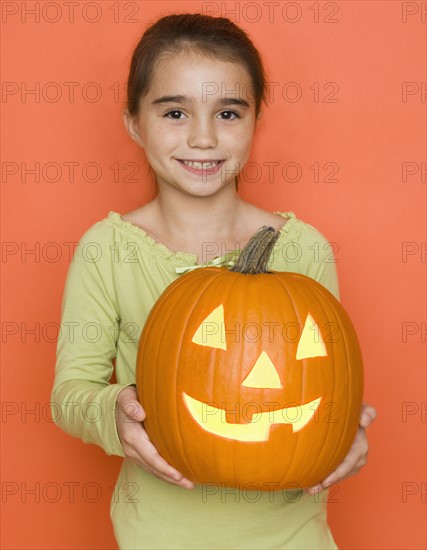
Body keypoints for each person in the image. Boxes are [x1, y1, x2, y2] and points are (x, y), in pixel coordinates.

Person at [51, 12, 376, 549]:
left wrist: (347, 430)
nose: (203, 138)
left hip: (293, 535)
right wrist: (112, 412)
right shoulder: (107, 250)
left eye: (228, 112)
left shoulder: (304, 249)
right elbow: (69, 394)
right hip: (157, 534)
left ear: (254, 123)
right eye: (175, 111)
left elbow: (327, 383)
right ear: (134, 121)